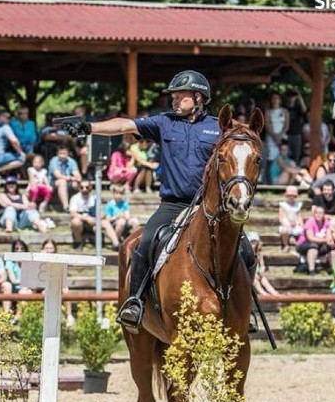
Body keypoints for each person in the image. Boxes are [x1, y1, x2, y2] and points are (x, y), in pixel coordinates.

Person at [61, 69, 239, 331]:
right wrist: (90, 127)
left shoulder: (218, 127)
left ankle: (243, 310)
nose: (175, 101)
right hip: (173, 204)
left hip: (209, 207)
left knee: (245, 248)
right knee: (144, 243)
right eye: (174, 97)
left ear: (199, 98)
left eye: (181, 96)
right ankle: (135, 303)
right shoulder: (164, 122)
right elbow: (125, 125)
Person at [296, 205, 333, 274]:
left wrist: (330, 242)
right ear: (314, 214)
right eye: (317, 213)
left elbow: (329, 236)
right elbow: (311, 238)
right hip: (304, 244)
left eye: (321, 213)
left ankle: (333, 269)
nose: (318, 215)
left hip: (320, 244)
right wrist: (325, 240)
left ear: (324, 214)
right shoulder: (310, 222)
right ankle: (311, 270)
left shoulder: (326, 222)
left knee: (332, 248)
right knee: (313, 246)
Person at [102, 184, 140, 251]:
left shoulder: (124, 203)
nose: (119, 195)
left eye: (121, 193)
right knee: (121, 222)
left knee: (135, 221)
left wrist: (125, 216)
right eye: (117, 193)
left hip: (124, 221)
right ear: (113, 194)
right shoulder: (110, 205)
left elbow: (127, 215)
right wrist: (117, 216)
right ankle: (117, 241)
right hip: (114, 223)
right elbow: (108, 219)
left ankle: (136, 242)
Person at [50, 145, 83, 209]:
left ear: (68, 153)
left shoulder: (71, 161)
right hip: (53, 182)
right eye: (60, 153)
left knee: (77, 183)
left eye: (64, 153)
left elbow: (77, 174)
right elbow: (57, 175)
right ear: (57, 154)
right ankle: (66, 206)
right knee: (62, 182)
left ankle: (81, 206)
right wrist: (71, 178)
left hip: (68, 181)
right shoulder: (53, 161)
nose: (62, 155)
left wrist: (77, 178)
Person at [69, 179, 97, 250]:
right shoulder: (75, 198)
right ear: (79, 188)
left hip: (93, 221)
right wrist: (87, 219)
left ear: (90, 187)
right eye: (82, 187)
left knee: (103, 223)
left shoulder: (95, 198)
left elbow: (102, 213)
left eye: (87, 187)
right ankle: (78, 242)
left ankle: (115, 244)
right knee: (75, 222)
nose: (84, 189)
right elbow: (73, 214)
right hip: (81, 220)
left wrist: (95, 220)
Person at [247, 231, 278, 296]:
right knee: (255, 281)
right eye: (251, 242)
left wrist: (262, 270)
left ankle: (276, 294)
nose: (253, 245)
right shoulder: (247, 255)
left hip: (259, 273)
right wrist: (254, 274)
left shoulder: (259, 253)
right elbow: (248, 267)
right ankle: (264, 294)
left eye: (255, 242)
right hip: (251, 274)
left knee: (264, 281)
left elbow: (262, 265)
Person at [278, 185, 304, 252]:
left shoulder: (298, 205)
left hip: (295, 223)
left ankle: (298, 242)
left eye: (293, 195)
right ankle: (286, 244)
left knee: (302, 230)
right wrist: (287, 224)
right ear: (286, 195)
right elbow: (281, 218)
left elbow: (299, 216)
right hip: (286, 222)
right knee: (284, 231)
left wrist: (300, 223)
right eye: (289, 195)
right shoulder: (283, 205)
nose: (291, 197)